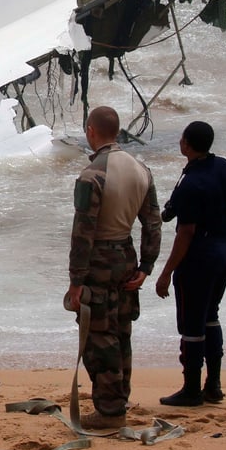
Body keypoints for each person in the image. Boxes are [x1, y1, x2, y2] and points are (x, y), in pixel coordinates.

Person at [65, 106, 162, 429]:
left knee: (98, 335)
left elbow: (83, 232)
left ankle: (109, 410)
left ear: (91, 131)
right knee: (121, 331)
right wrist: (147, 265)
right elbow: (153, 222)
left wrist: (76, 281)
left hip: (98, 262)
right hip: (127, 256)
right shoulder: (141, 169)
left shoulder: (92, 175)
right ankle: (118, 399)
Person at [154, 121, 226, 407]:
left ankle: (192, 389)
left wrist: (165, 273)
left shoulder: (190, 183)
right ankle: (213, 385)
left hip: (202, 253)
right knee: (210, 313)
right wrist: (214, 211)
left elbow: (186, 233)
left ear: (186, 145)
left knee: (192, 322)